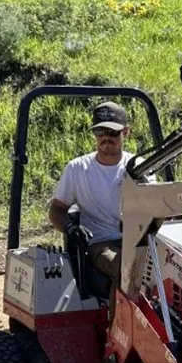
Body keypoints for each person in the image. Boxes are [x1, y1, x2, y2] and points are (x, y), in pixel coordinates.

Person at [48, 101, 132, 284]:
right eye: (100, 133)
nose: (106, 138)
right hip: (102, 244)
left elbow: (158, 205)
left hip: (138, 242)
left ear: (126, 132)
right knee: (126, 268)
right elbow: (56, 210)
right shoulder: (78, 168)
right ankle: (117, 313)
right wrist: (71, 228)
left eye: (112, 133)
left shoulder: (139, 167)